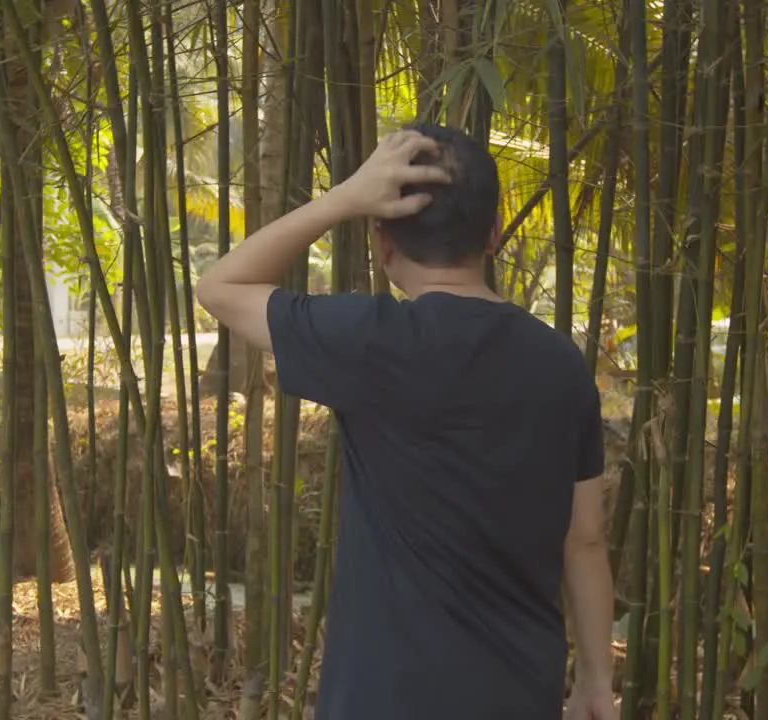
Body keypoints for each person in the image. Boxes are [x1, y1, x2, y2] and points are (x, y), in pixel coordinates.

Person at [196, 123, 616, 720]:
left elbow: (219, 285)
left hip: (380, 698)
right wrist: (596, 681)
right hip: (517, 693)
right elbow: (586, 538)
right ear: (494, 234)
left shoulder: (368, 339)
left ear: (382, 242)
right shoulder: (560, 366)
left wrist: (343, 197)